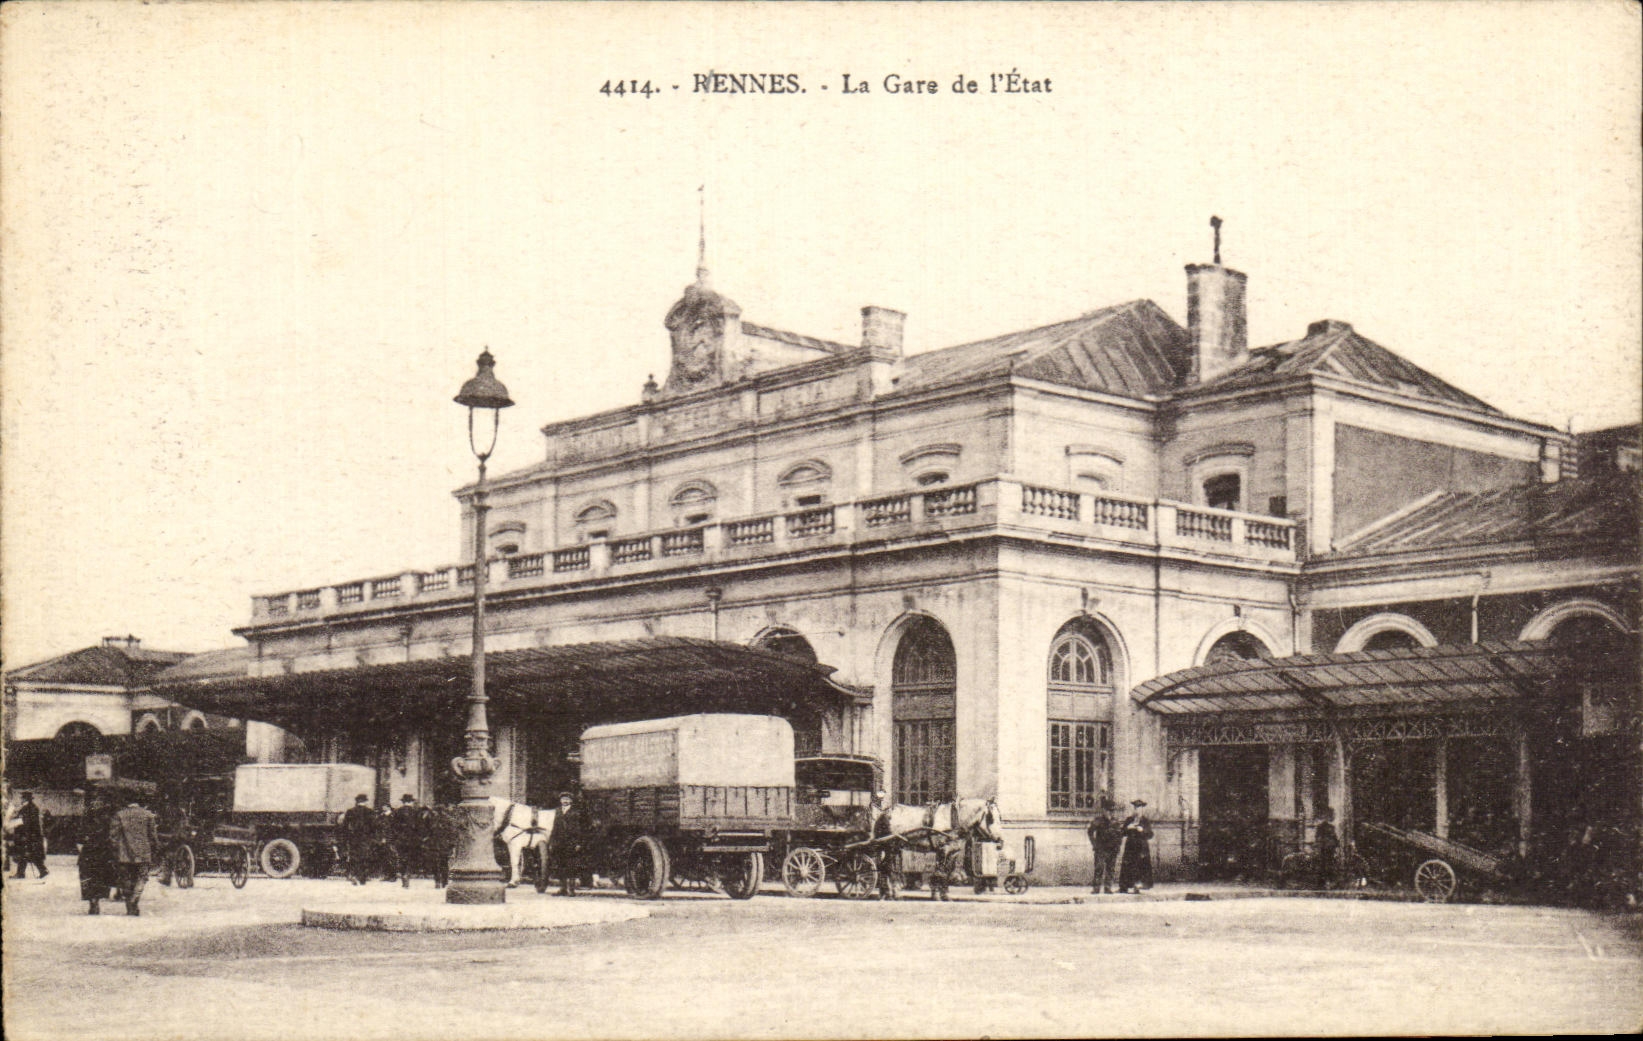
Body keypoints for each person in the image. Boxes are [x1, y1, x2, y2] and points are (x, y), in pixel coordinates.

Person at [109, 797, 159, 915]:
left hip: (124, 854)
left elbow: (113, 837)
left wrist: (115, 851)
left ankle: (130, 907)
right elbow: (153, 836)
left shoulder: (119, 815)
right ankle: (134, 899)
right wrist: (155, 848)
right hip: (143, 853)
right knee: (142, 877)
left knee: (126, 880)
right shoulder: (148, 815)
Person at [77, 794, 119, 915]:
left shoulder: (86, 817)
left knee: (88, 876)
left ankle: (93, 901)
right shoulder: (110, 817)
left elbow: (80, 837)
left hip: (89, 851)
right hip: (104, 851)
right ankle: (97, 900)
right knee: (102, 876)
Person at [545, 792, 589, 896]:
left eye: (567, 799)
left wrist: (578, 842)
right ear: (560, 801)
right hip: (559, 842)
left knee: (571, 866)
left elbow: (579, 828)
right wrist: (551, 842)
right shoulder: (558, 811)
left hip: (571, 842)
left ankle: (571, 889)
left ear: (571, 801)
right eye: (563, 799)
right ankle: (562, 888)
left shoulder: (576, 812)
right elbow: (555, 827)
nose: (565, 801)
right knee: (560, 865)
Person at [1116, 798, 1153, 895]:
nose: (1137, 810)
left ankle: (1139, 886)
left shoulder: (1145, 821)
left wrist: (1142, 830)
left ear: (1142, 809)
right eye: (1136, 808)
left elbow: (1150, 834)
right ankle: (1124, 886)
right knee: (1128, 865)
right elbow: (1122, 833)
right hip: (1130, 847)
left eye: (1139, 808)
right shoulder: (1129, 820)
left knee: (1140, 866)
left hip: (1141, 847)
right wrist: (1128, 828)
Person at [390, 794, 428, 888]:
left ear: (403, 802)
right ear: (411, 802)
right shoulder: (416, 812)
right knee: (411, 857)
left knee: (402, 857)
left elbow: (393, 826)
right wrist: (421, 837)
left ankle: (403, 875)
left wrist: (394, 838)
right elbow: (420, 827)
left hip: (401, 839)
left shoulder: (397, 812)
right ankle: (407, 874)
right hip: (412, 839)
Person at [338, 794, 377, 885]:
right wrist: (372, 837)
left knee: (354, 857)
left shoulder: (351, 811)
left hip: (354, 838)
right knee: (365, 857)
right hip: (366, 838)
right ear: (365, 802)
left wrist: (346, 837)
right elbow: (374, 826)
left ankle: (354, 875)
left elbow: (345, 826)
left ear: (357, 802)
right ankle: (363, 877)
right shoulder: (370, 812)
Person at [1086, 795, 1119, 894]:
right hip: (1101, 849)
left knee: (1111, 868)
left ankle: (1108, 887)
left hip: (1112, 849)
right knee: (1099, 867)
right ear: (1103, 810)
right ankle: (1096, 888)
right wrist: (1094, 844)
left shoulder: (1115, 821)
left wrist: (1117, 847)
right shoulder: (1098, 821)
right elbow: (1090, 831)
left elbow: (1119, 835)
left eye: (1112, 811)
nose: (1110, 813)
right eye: (1108, 810)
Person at [11, 791, 48, 880]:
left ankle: (22, 873)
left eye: (22, 798)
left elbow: (27, 823)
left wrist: (25, 835)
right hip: (31, 835)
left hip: (29, 835)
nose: (20, 799)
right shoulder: (30, 807)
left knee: (26, 853)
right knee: (29, 854)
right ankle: (42, 871)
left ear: (25, 799)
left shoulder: (28, 808)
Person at [1313, 811, 1341, 890]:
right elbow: (1334, 838)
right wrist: (1337, 845)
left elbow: (1317, 838)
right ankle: (1326, 883)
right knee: (1327, 865)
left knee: (1324, 865)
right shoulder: (1328, 827)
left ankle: (1322, 883)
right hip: (1327, 848)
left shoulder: (1322, 826)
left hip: (1326, 848)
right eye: (1332, 816)